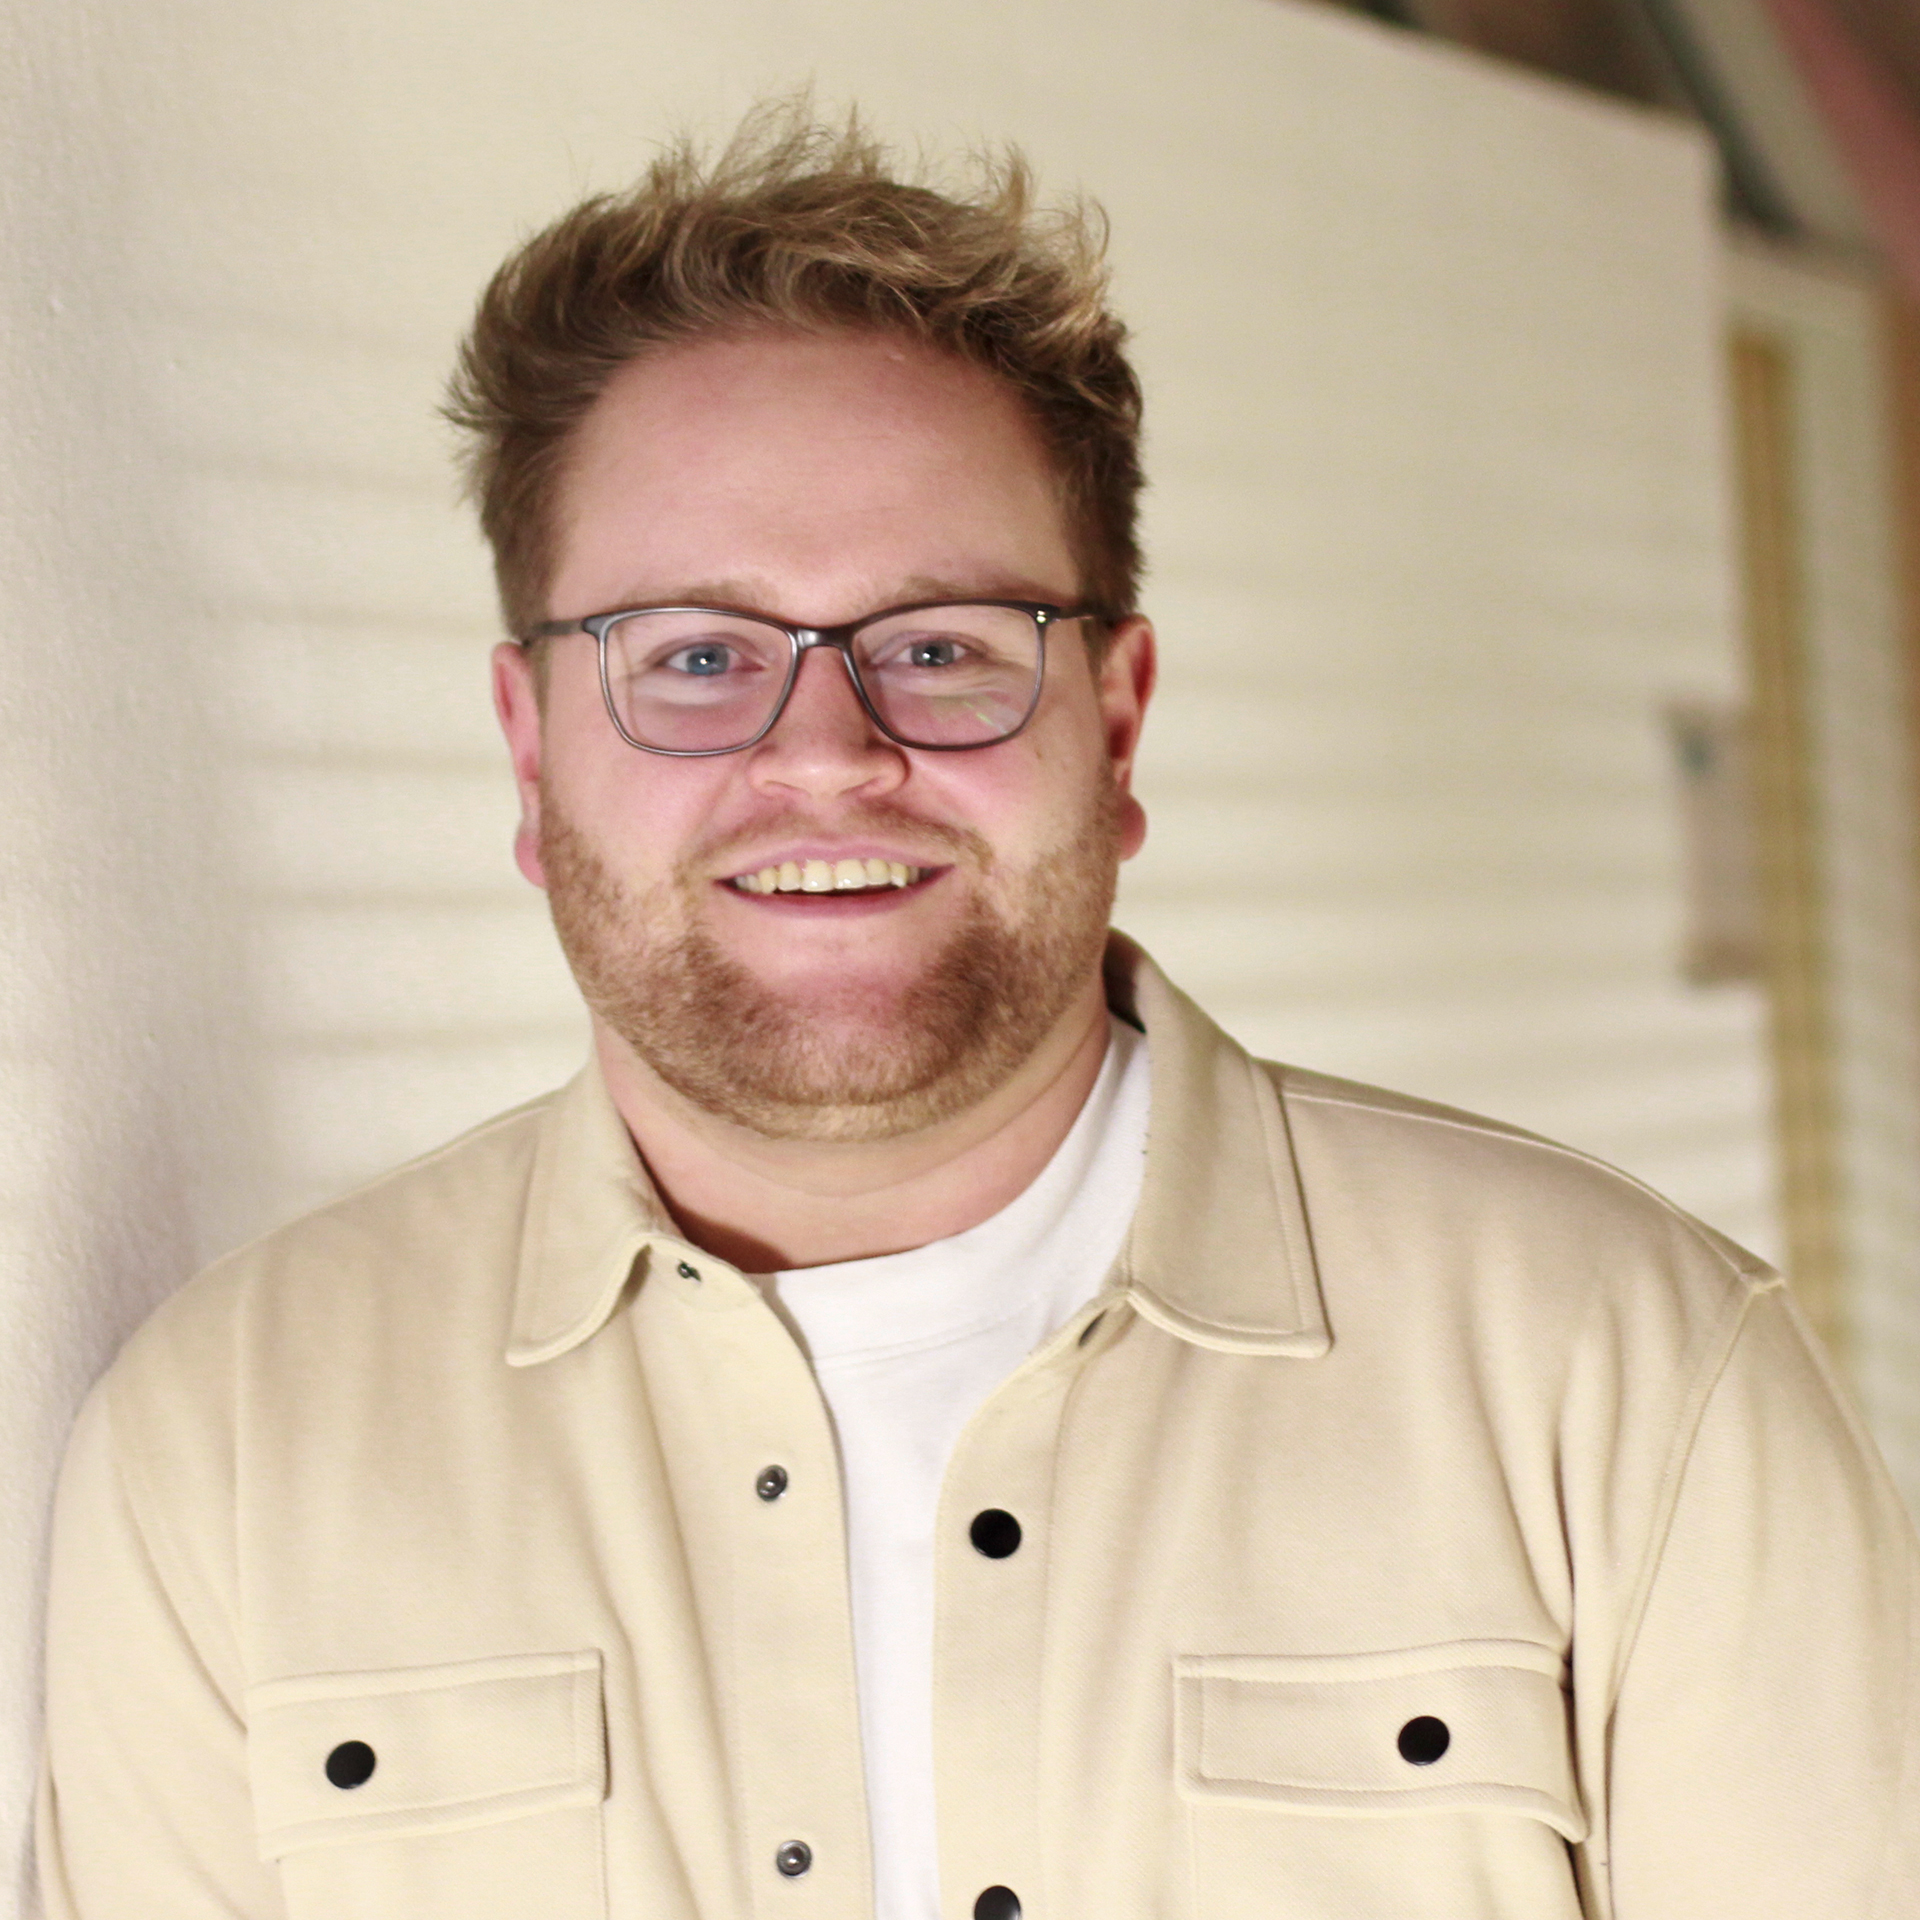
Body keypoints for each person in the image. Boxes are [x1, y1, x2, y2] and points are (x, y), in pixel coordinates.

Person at [35, 108, 1920, 1920]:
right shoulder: (227, 1450)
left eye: (939, 648)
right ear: (532, 755)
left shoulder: (1630, 1377)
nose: (825, 756)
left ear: (1117, 719)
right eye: (694, 657)